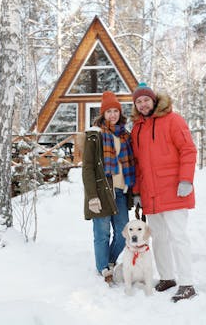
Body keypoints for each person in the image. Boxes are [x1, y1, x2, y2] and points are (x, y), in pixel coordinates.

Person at [130, 82, 198, 302]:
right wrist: (138, 192)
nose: (142, 104)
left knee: (178, 237)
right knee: (158, 238)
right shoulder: (137, 129)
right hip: (151, 194)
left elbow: (188, 149)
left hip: (175, 191)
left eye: (146, 100)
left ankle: (187, 283)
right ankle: (167, 277)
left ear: (154, 100)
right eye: (138, 102)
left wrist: (186, 179)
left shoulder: (173, 120)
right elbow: (138, 164)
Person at [82, 91, 135, 284]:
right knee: (102, 232)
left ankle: (110, 261)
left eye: (116, 111)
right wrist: (92, 196)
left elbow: (133, 163)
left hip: (121, 191)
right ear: (103, 114)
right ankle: (103, 267)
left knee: (123, 232)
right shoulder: (94, 135)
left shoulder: (126, 136)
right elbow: (87, 167)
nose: (112, 114)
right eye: (109, 111)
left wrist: (135, 192)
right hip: (103, 191)